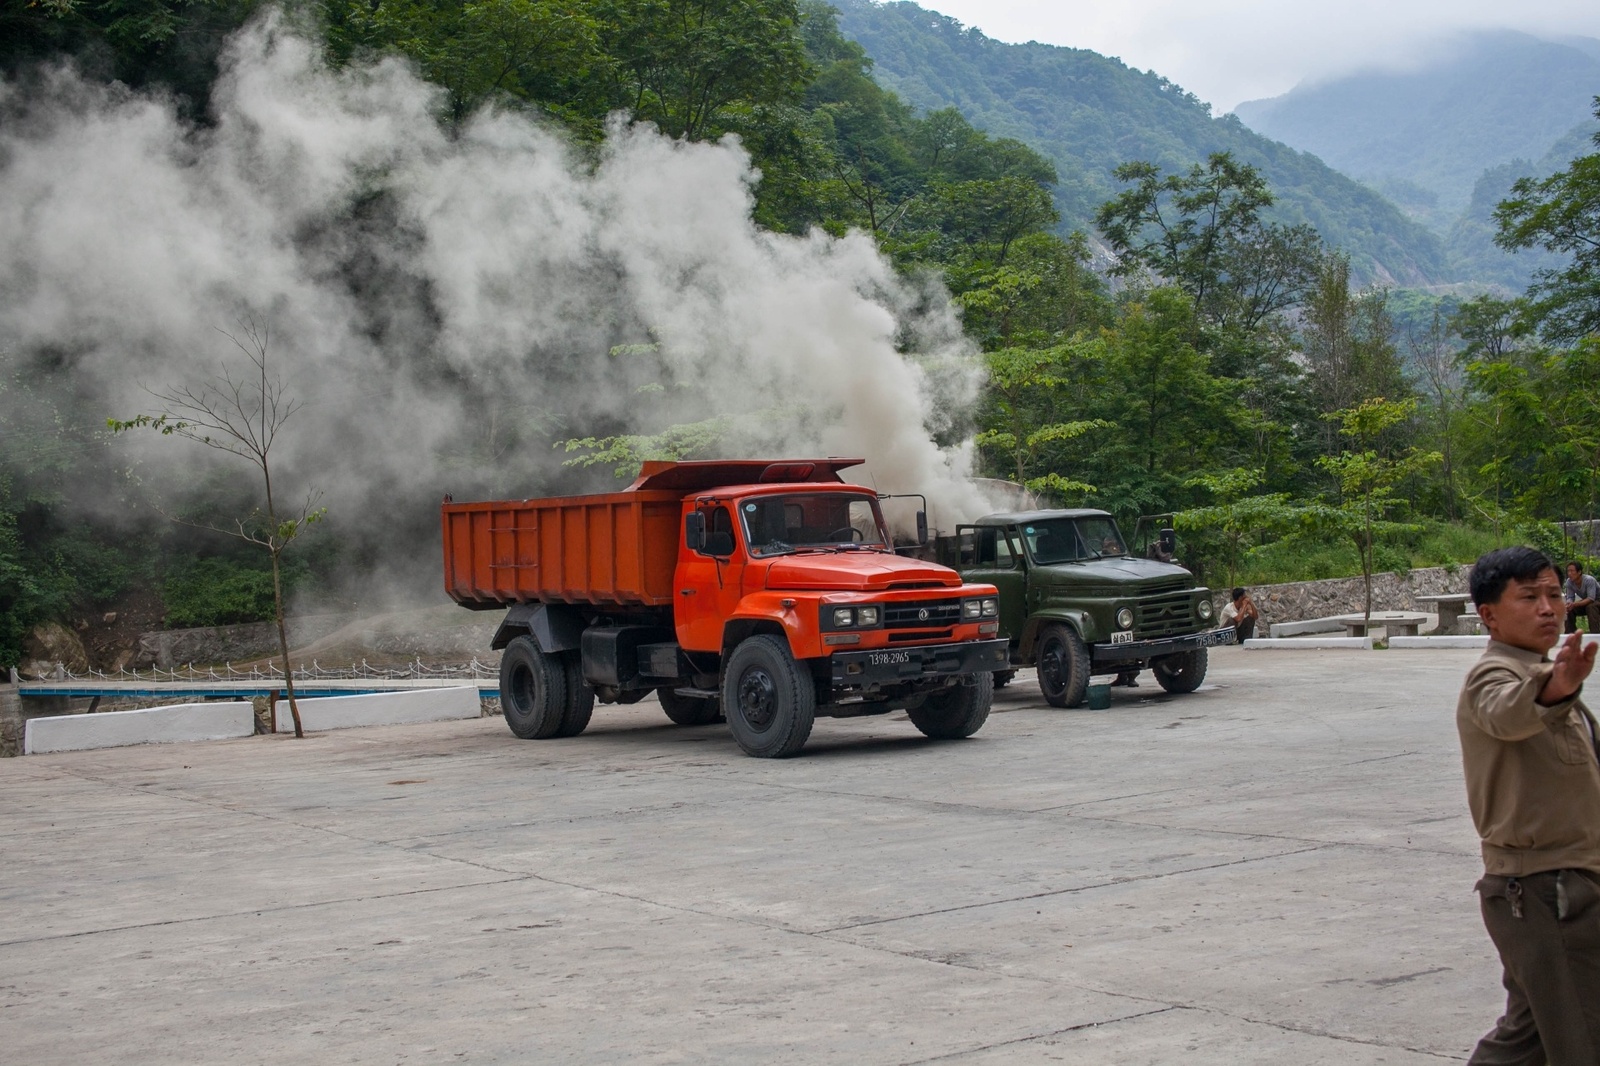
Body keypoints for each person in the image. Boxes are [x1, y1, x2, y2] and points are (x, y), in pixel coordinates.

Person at [1458, 546, 1600, 1065]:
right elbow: (1507, 713)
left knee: (1528, 1041)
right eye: (1530, 597)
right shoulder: (1495, 677)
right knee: (1582, 1038)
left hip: (1565, 885)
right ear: (1489, 615)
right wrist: (1555, 686)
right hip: (1544, 891)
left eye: (1554, 595)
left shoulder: (1546, 676)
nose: (1549, 608)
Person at [1563, 560, 1600, 634]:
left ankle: (1595, 634)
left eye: (1572, 571)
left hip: (1597, 600)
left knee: (1591, 607)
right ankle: (1570, 634)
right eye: (1568, 571)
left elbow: (1591, 598)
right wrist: (1569, 604)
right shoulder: (1569, 582)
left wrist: (1575, 604)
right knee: (1569, 609)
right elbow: (1570, 597)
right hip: (1587, 601)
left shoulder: (1589, 580)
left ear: (1579, 572)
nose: (1569, 573)